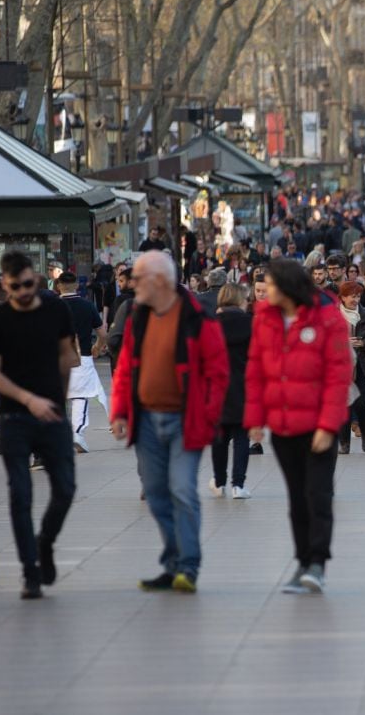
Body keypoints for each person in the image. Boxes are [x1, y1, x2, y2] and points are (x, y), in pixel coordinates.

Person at [110, 251, 230, 594]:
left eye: (139, 279)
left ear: (160, 281)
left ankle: (187, 567)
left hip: (184, 419)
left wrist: (207, 416)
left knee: (181, 489)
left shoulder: (197, 319)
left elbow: (218, 374)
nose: (133, 285)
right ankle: (175, 561)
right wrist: (119, 410)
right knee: (158, 494)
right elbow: (126, 370)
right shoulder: (139, 317)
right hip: (146, 419)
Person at [244, 259, 352, 594]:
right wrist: (255, 420)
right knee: (296, 499)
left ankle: (317, 563)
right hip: (283, 425)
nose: (266, 291)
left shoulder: (327, 317)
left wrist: (327, 425)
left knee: (317, 494)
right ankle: (303, 562)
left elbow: (338, 375)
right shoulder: (265, 318)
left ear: (288, 287)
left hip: (318, 427)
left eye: (272, 285)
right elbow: (256, 369)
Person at [0, 251, 79, 599]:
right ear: (5, 286)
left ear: (35, 278)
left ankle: (45, 542)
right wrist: (29, 400)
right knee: (20, 494)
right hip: (15, 417)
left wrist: (59, 398)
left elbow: (69, 356)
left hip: (52, 414)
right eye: (14, 287)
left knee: (66, 489)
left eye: (27, 283)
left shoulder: (56, 309)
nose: (22, 291)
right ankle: (29, 572)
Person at [55, 272, 109, 454]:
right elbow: (102, 333)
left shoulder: (52, 306)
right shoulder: (87, 305)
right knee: (80, 396)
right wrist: (97, 347)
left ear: (58, 286)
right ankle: (77, 434)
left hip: (55, 358)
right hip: (81, 357)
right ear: (77, 285)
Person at [209, 283, 253, 500]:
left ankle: (219, 482)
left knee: (219, 437)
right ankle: (238, 485)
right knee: (241, 437)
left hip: (217, 388)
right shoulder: (249, 323)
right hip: (243, 386)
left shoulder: (211, 325)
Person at [337, 282, 365, 454]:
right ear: (342, 297)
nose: (355, 300)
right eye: (352, 296)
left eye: (358, 296)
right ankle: (344, 442)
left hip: (363, 366)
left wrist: (363, 342)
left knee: (361, 403)